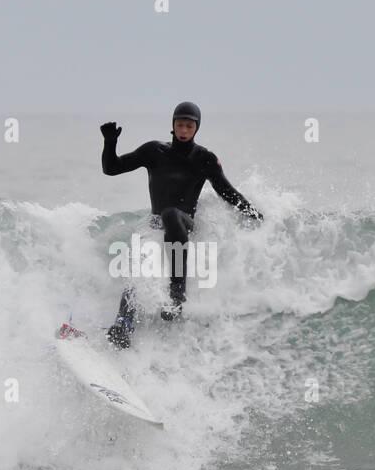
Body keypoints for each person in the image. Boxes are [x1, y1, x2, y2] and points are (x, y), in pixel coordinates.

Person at [100, 101, 261, 347]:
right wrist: (110, 142)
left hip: (184, 226)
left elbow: (227, 192)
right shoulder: (154, 151)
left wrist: (254, 214)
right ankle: (124, 325)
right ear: (172, 126)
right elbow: (111, 169)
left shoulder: (205, 159)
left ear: (196, 127)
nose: (184, 130)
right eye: (179, 125)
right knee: (139, 269)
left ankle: (177, 293)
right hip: (155, 226)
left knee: (172, 214)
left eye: (189, 125)